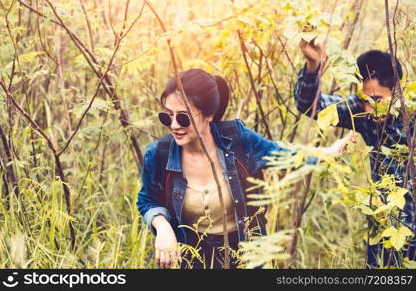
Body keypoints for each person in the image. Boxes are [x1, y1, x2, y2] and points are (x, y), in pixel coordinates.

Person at [137, 68, 349, 269]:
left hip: (243, 252)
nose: (174, 125)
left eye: (183, 117)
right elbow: (147, 200)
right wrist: (162, 225)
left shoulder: (239, 140)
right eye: (167, 116)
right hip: (188, 254)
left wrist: (330, 152)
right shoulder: (159, 154)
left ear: (209, 114)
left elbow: (285, 156)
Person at [295, 38, 416, 268]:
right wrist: (313, 67)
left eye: (377, 99)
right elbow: (309, 105)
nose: (370, 108)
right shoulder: (362, 112)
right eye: (365, 99)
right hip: (385, 233)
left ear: (398, 92)